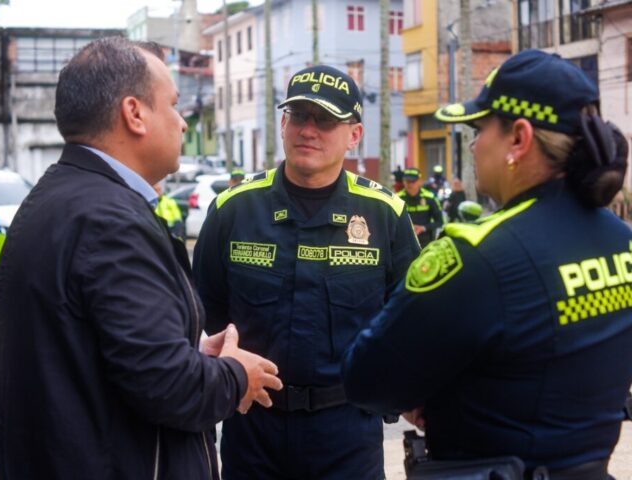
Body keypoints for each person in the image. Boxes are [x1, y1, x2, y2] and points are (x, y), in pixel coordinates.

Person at [0, 37, 282, 480]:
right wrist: (235, 376)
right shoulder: (108, 220)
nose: (183, 123)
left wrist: (188, 350)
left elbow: (93, 352)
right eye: (173, 104)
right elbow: (167, 385)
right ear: (135, 113)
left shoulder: (57, 197)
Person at [342, 49, 632, 478]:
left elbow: (367, 378)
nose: (474, 145)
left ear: (519, 138)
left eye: (479, 129)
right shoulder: (621, 242)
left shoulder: (477, 255)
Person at [193, 64, 419, 480]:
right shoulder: (235, 209)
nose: (308, 130)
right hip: (254, 425)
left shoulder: (384, 215)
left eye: (325, 120)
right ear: (283, 123)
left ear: (354, 135)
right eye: (298, 116)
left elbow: (409, 320)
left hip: (347, 433)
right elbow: (204, 306)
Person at [398, 167, 443, 247]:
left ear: (420, 181)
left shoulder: (430, 198)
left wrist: (423, 228)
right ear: (403, 181)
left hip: (426, 243)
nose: (410, 184)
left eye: (413, 181)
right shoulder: (397, 198)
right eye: (407, 181)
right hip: (403, 243)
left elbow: (440, 221)